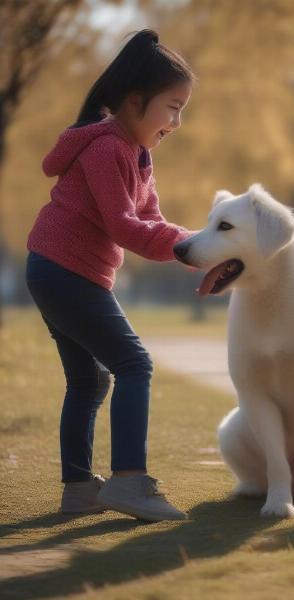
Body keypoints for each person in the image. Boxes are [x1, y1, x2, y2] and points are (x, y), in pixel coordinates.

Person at [26, 29, 195, 522]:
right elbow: (125, 226)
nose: (178, 121)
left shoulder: (137, 156)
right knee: (134, 364)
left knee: (88, 379)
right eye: (173, 106)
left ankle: (79, 489)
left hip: (60, 270)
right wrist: (187, 249)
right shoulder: (106, 149)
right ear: (135, 100)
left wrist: (198, 245)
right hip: (63, 269)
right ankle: (128, 482)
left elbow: (154, 222)